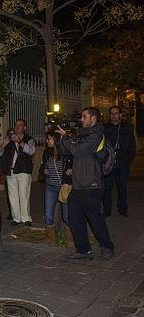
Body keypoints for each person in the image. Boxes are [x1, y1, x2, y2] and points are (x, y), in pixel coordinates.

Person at [56, 107, 115, 260]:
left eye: (84, 117)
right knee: (75, 219)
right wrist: (63, 138)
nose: (81, 119)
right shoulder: (82, 134)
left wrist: (66, 139)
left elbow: (78, 151)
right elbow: (66, 152)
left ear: (93, 119)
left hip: (91, 184)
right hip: (77, 185)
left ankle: (107, 247)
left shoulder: (96, 134)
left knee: (95, 220)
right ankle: (83, 250)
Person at [0, 119, 36, 226]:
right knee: (12, 195)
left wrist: (20, 142)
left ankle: (26, 218)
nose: (17, 127)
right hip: (11, 171)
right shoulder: (9, 139)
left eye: (20, 125)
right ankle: (16, 218)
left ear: (25, 127)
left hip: (23, 171)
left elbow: (31, 151)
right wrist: (3, 145)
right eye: (16, 125)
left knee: (24, 195)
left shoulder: (29, 139)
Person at [39, 131, 72, 245]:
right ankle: (51, 239)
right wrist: (44, 171)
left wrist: (72, 169)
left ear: (56, 140)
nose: (47, 141)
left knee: (67, 215)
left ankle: (70, 239)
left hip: (64, 187)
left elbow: (76, 163)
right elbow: (42, 167)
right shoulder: (47, 153)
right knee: (48, 214)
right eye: (47, 139)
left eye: (49, 139)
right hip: (51, 187)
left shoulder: (67, 152)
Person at [103, 105, 135, 217]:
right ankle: (107, 210)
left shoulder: (128, 127)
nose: (114, 115)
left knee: (122, 187)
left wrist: (129, 159)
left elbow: (132, 144)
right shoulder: (104, 127)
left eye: (116, 113)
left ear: (120, 114)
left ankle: (122, 209)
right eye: (112, 113)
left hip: (123, 164)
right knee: (107, 188)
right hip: (108, 164)